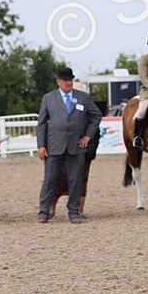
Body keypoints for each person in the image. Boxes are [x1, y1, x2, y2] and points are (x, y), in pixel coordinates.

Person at [36, 67, 101, 224]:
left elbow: (96, 116)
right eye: (65, 80)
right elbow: (42, 123)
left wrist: (87, 136)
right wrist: (41, 145)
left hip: (76, 145)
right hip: (54, 145)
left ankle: (74, 212)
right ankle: (44, 212)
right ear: (58, 82)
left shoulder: (83, 98)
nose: (68, 83)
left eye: (70, 80)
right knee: (50, 180)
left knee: (75, 180)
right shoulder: (48, 98)